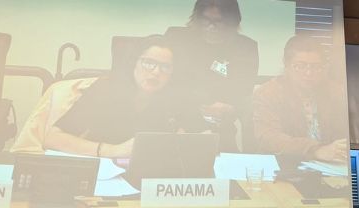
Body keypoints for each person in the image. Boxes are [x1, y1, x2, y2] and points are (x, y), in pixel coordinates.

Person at [43, 35, 181, 158]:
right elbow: (53, 138)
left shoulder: (175, 99)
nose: (156, 72)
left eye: (165, 67)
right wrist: (113, 150)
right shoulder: (105, 90)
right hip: (103, 171)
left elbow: (200, 135)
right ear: (133, 63)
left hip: (148, 178)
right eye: (149, 63)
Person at [165, 0, 258, 151]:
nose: (211, 26)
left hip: (219, 127)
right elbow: (166, 84)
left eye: (219, 21)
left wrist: (230, 107)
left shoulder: (245, 48)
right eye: (205, 19)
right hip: (177, 122)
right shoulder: (177, 39)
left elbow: (243, 93)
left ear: (232, 22)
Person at [253, 35, 349, 162]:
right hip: (286, 165)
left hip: (332, 166)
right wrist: (316, 150)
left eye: (315, 67)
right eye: (300, 66)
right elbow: (269, 138)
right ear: (286, 64)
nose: (308, 73)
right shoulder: (268, 93)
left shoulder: (337, 92)